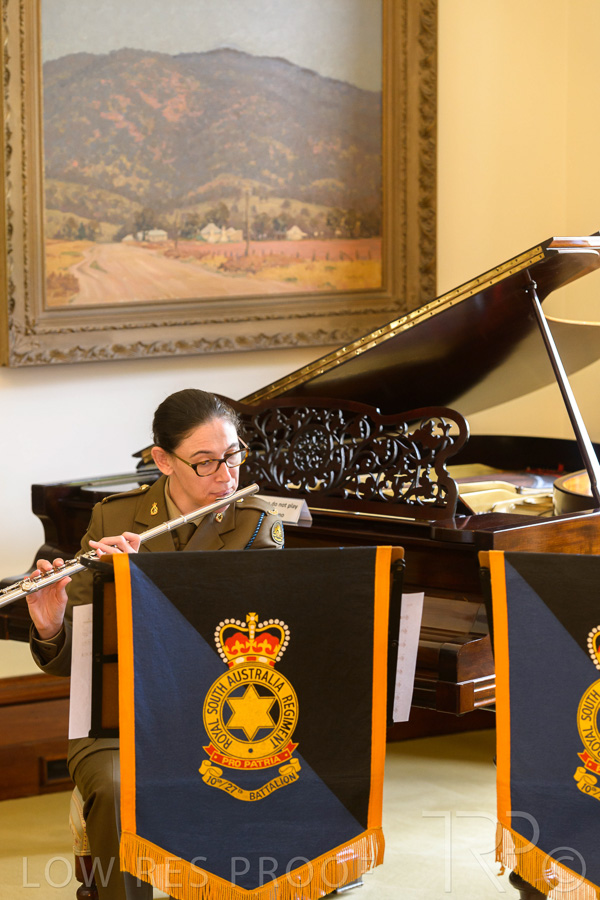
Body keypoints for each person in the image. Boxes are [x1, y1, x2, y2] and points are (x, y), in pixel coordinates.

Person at [27, 389, 284, 900]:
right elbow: (76, 661)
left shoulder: (256, 525)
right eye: (205, 462)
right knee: (117, 786)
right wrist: (52, 625)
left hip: (225, 715)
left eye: (233, 455)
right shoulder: (113, 518)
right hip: (121, 718)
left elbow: (249, 650)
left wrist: (146, 580)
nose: (226, 475)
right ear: (163, 461)